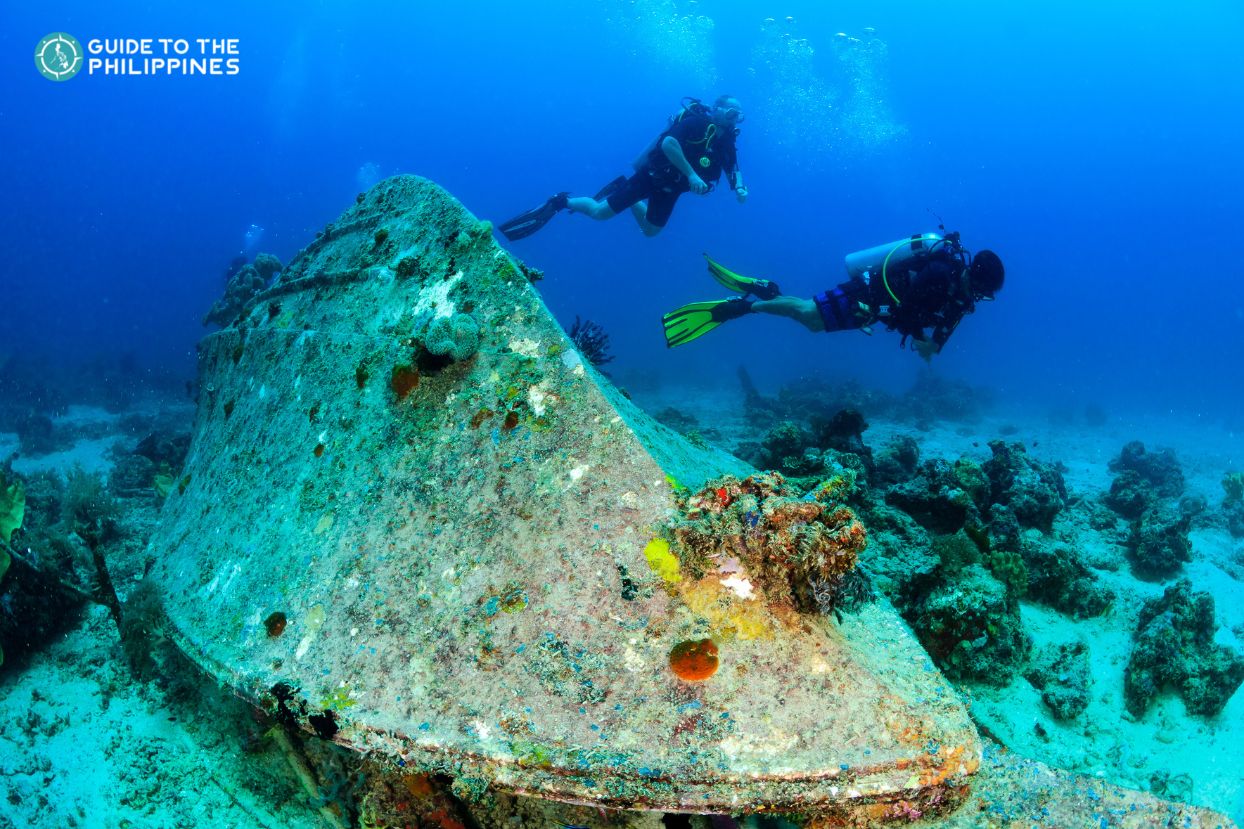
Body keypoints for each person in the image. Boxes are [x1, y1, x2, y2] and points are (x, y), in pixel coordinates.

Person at [662, 232, 1004, 360]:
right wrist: (920, 339)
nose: (978, 301)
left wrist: (934, 344)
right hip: (866, 294)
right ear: (974, 279)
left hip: (872, 311)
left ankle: (761, 294)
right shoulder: (940, 274)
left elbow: (946, 324)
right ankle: (747, 305)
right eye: (982, 294)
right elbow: (911, 311)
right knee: (810, 314)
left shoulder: (961, 295)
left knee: (810, 321)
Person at [498, 95, 748, 241]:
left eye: (739, 115)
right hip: (651, 177)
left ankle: (621, 191)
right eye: (731, 112)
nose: (734, 118)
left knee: (651, 232)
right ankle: (561, 202)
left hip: (673, 189)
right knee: (599, 213)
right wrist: (692, 174)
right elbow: (669, 143)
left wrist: (739, 188)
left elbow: (732, 168)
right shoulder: (696, 122)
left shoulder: (727, 142)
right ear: (717, 110)